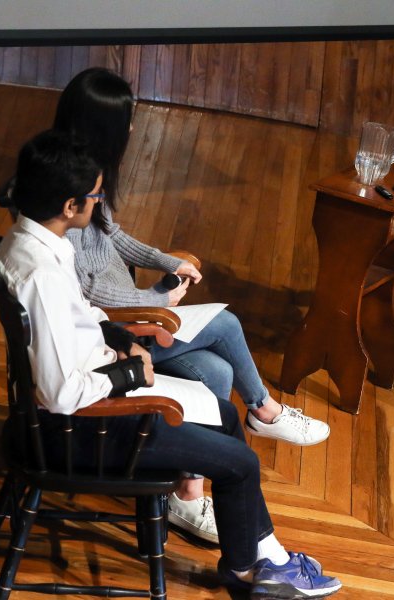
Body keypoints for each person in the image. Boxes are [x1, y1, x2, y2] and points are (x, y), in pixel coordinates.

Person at [0, 129, 342, 599]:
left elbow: (81, 317)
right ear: (71, 206)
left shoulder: (26, 241)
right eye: (95, 196)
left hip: (81, 403)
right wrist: (133, 373)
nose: (100, 203)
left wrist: (119, 336)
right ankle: (251, 570)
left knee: (223, 414)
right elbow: (61, 395)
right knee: (239, 463)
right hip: (79, 431)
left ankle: (261, 557)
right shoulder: (43, 277)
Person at [51, 68, 330, 541]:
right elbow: (90, 292)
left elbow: (112, 237)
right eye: (128, 120)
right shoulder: (67, 190)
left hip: (132, 313)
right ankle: (264, 411)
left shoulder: (88, 173)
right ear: (103, 125)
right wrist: (159, 298)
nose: (134, 129)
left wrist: (167, 261)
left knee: (218, 375)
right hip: (113, 333)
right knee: (225, 323)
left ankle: (187, 493)